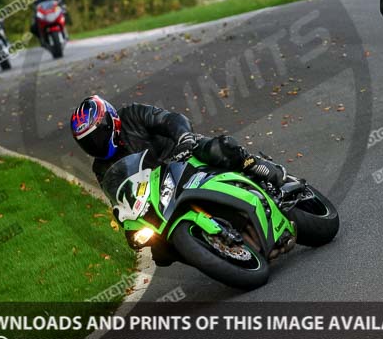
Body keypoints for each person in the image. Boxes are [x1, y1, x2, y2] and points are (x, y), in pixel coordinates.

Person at [70, 95, 286, 266]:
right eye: (87, 141)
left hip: (183, 156)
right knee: (160, 252)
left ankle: (258, 166)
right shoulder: (101, 167)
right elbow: (119, 201)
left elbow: (169, 119)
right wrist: (128, 227)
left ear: (110, 121)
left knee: (219, 149)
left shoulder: (131, 115)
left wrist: (183, 137)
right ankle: (214, 254)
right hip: (159, 194)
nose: (94, 144)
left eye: (97, 135)